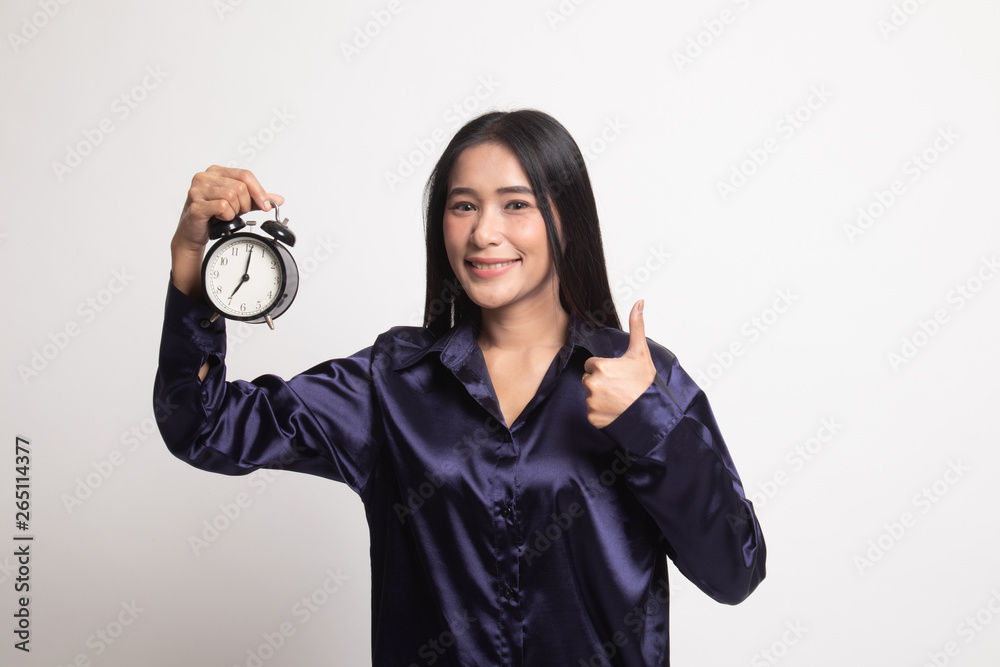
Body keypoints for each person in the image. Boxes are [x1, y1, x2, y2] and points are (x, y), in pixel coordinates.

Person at [154, 109, 765, 666]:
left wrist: (650, 424)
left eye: (516, 205)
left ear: (566, 221)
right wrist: (191, 257)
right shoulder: (391, 384)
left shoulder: (641, 379)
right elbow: (200, 427)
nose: (483, 233)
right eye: (464, 205)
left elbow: (735, 572)